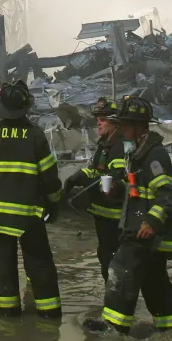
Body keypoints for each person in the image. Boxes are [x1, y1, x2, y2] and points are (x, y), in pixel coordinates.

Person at [93, 96, 172, 335]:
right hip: (141, 226)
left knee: (120, 271)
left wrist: (152, 221)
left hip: (144, 230)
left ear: (139, 126)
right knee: (154, 280)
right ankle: (170, 329)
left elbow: (167, 194)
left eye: (125, 125)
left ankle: (113, 328)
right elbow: (137, 189)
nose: (122, 129)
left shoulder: (154, 156)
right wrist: (117, 188)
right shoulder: (138, 152)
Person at [0, 80, 63, 318]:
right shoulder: (35, 135)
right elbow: (49, 178)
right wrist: (54, 203)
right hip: (27, 214)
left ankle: (8, 316)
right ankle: (49, 317)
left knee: (4, 265)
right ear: (26, 108)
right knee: (39, 262)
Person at [63, 97, 126, 282]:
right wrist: (78, 177)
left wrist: (102, 182)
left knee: (115, 261)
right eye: (97, 117)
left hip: (117, 218)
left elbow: (117, 177)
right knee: (105, 257)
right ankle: (112, 296)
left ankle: (118, 300)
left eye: (103, 118)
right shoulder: (105, 143)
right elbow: (95, 170)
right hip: (103, 217)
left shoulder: (121, 146)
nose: (98, 122)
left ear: (115, 121)